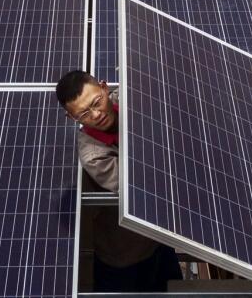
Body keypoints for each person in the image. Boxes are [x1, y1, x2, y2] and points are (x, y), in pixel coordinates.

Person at [56, 69, 182, 292]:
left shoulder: (131, 97)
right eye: (83, 115)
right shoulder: (94, 155)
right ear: (72, 118)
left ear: (104, 88)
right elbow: (141, 184)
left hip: (158, 236)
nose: (95, 115)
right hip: (124, 253)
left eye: (97, 102)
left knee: (172, 286)